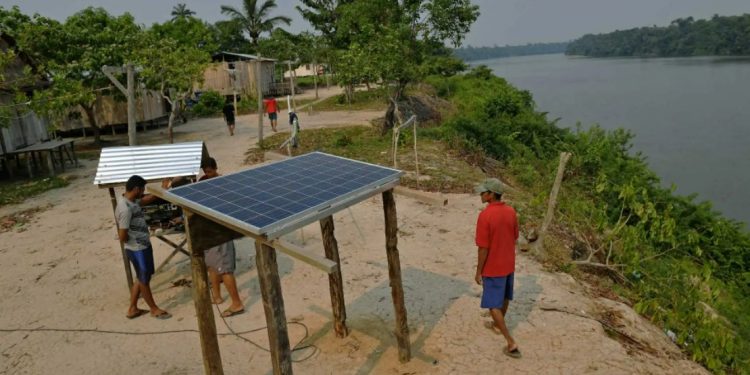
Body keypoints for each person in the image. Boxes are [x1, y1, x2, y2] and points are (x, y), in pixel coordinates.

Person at [473, 177, 521, 358]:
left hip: (493, 266)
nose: (481, 194)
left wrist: (479, 271)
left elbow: (483, 248)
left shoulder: (485, 216)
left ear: (491, 195)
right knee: (505, 296)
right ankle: (495, 325)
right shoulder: (511, 211)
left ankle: (510, 341)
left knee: (493, 304)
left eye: (483, 192)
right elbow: (515, 235)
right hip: (508, 263)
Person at [115, 175, 172, 320]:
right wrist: (135, 241)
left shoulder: (130, 200)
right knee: (144, 280)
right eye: (141, 190)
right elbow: (122, 235)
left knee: (141, 277)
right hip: (137, 248)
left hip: (142, 246)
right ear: (135, 189)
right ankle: (154, 309)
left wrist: (162, 190)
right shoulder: (125, 209)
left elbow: (145, 200)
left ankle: (132, 309)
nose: (142, 193)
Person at [200, 157, 245, 317]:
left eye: (210, 171)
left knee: (225, 269)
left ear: (216, 168)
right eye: (205, 172)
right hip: (209, 232)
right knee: (212, 265)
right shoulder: (202, 182)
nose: (208, 174)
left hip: (221, 233)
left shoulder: (224, 184)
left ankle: (237, 303)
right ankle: (217, 296)